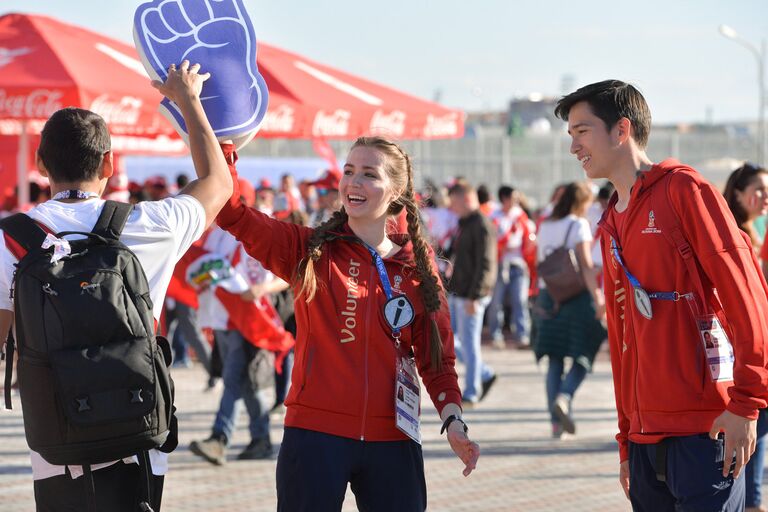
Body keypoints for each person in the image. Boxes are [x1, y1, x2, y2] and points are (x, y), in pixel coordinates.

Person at [0, 60, 231, 511]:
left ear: (40, 162)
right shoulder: (151, 223)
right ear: (109, 162)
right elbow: (219, 183)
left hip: (56, 440)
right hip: (137, 430)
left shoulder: (10, 238)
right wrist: (188, 100)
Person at [215, 136, 479, 511]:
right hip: (315, 435)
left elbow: (438, 362)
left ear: (396, 191)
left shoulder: (418, 271)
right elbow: (231, 213)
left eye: (369, 174)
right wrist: (223, 146)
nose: (353, 182)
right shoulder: (308, 251)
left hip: (394, 438)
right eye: (350, 171)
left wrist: (453, 420)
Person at [556, 79, 768, 511]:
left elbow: (747, 294)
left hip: (705, 430)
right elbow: (621, 337)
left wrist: (748, 404)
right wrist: (625, 439)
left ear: (621, 130)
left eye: (581, 131)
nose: (574, 147)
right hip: (643, 437)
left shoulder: (685, 191)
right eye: (570, 136)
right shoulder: (609, 223)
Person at [533, 181, 606, 438]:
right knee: (585, 350)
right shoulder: (578, 225)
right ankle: (565, 396)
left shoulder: (546, 223)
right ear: (580, 202)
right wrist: (597, 297)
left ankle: (555, 424)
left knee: (554, 358)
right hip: (575, 297)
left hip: (548, 296)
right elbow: (586, 266)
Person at [723, 163, 768, 512]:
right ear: (737, 194)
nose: (765, 197)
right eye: (758, 190)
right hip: (743, 349)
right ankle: (751, 503)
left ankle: (752, 501)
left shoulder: (756, 231)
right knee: (755, 428)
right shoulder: (731, 235)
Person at [444, 182, 498, 407]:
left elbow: (486, 264)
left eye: (454, 203)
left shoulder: (481, 225)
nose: (451, 208)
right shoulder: (464, 224)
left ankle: (472, 391)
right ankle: (483, 374)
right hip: (460, 291)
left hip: (471, 294)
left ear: (466, 199)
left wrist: (475, 296)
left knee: (469, 343)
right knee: (453, 341)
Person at [487, 185, 534, 349]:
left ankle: (522, 336)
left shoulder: (520, 215)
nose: (516, 200)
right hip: (499, 264)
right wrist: (502, 247)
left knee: (520, 300)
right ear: (504, 198)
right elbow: (491, 241)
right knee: (496, 302)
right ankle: (496, 335)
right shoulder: (494, 216)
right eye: (513, 197)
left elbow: (529, 238)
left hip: (518, 264)